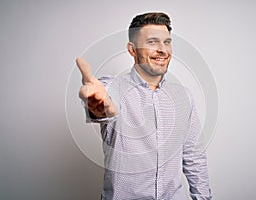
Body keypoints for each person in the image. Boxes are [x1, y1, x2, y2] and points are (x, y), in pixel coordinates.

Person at [76, 12, 212, 200]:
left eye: (167, 42)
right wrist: (99, 106)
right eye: (152, 42)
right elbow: (103, 104)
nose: (162, 50)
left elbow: (193, 156)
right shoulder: (112, 88)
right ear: (132, 50)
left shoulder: (183, 96)